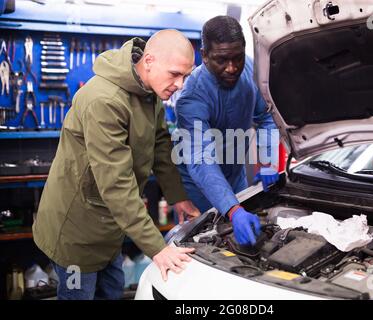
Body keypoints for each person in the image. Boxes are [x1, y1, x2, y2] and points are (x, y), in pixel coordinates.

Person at [32, 30, 200, 300]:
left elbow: (160, 145)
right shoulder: (104, 101)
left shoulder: (149, 90)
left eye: (185, 76)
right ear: (148, 61)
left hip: (109, 227)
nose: (180, 85)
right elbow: (116, 185)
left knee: (111, 292)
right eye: (174, 74)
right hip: (76, 232)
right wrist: (158, 248)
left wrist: (178, 197)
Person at [174, 16, 279, 247]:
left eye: (237, 58)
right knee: (204, 247)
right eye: (221, 60)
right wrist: (233, 210)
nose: (232, 68)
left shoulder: (250, 70)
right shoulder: (191, 96)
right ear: (204, 55)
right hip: (198, 185)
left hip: (236, 176)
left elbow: (266, 117)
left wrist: (269, 160)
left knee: (248, 241)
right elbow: (200, 159)